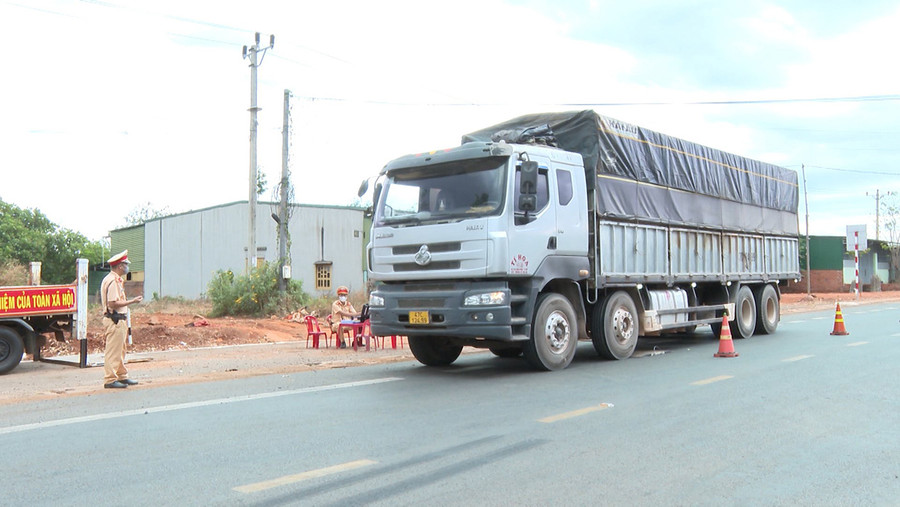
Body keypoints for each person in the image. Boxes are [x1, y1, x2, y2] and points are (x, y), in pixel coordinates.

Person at [100, 250, 143, 388]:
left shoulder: (115, 280)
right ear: (119, 266)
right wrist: (132, 301)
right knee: (113, 350)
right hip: (115, 320)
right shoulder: (112, 281)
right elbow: (112, 303)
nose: (127, 267)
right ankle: (110, 379)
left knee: (120, 349)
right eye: (125, 264)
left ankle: (121, 375)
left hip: (119, 320)